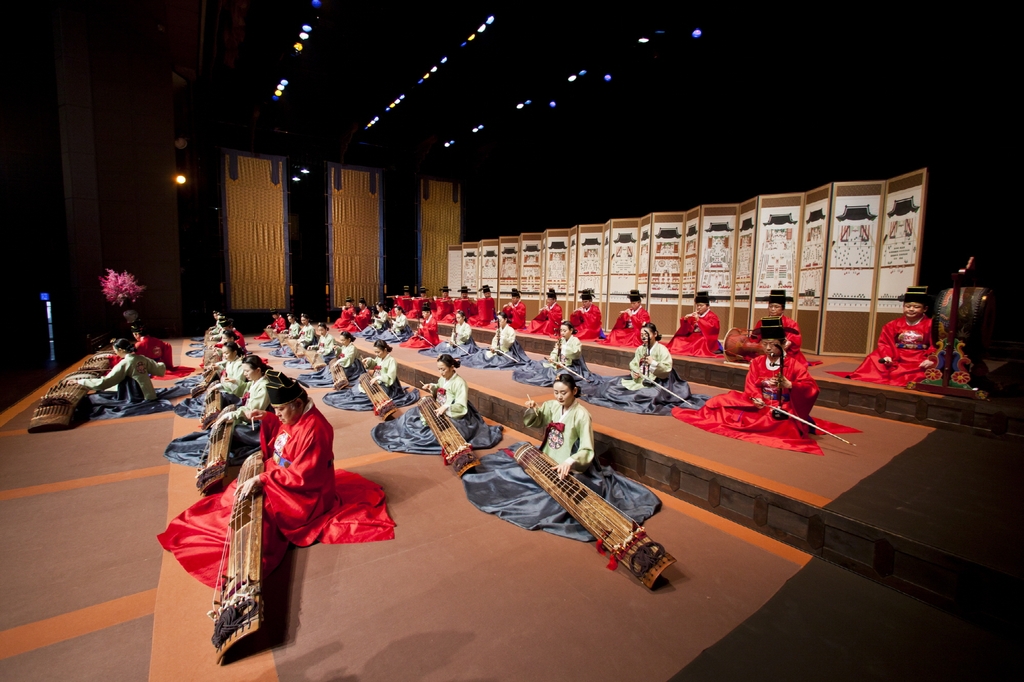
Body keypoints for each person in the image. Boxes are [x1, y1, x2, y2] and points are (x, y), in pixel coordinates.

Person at [157, 370, 397, 588]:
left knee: (263, 516)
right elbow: (283, 439)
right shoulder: (295, 416)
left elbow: (304, 475)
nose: (278, 414)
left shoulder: (316, 429)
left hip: (304, 491)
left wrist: (264, 478)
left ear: (298, 404)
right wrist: (268, 419)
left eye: (280, 410)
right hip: (282, 474)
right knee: (235, 492)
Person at [461, 375, 661, 541]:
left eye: (563, 393)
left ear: (574, 391)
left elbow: (586, 447)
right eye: (556, 392)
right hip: (548, 455)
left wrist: (570, 461)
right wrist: (532, 409)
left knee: (555, 496)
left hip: (568, 461)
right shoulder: (552, 406)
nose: (559, 397)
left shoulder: (582, 415)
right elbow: (537, 421)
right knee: (513, 476)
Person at [672, 318, 856, 456]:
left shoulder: (793, 365)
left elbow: (811, 388)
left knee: (777, 424)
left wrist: (791, 385)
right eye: (765, 344)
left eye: (772, 344)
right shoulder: (758, 362)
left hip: (782, 406)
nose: (767, 348)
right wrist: (755, 397)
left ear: (782, 344)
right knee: (719, 402)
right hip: (758, 403)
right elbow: (751, 384)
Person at [370, 354, 503, 455]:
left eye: (443, 369)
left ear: (452, 368)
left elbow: (461, 406)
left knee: (433, 433)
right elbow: (440, 388)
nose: (441, 373)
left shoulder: (460, 383)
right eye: (439, 369)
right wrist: (432, 387)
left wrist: (446, 407)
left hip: (455, 413)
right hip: (440, 406)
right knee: (411, 413)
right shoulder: (443, 378)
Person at [164, 355, 271, 466]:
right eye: (243, 371)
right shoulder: (256, 381)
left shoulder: (264, 387)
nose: (244, 374)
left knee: (233, 431)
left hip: (258, 426)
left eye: (247, 371)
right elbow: (244, 388)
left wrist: (232, 415)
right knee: (222, 425)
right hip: (248, 417)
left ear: (258, 370)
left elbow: (252, 411)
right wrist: (228, 384)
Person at [582, 323, 706, 415]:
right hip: (640, 379)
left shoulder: (662, 349)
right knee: (611, 386)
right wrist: (634, 372)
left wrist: (654, 363)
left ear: (655, 334)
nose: (644, 337)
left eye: (646, 334)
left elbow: (667, 369)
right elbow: (634, 363)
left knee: (648, 396)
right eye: (641, 335)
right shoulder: (641, 349)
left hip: (660, 381)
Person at [836, 286, 936, 387]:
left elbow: (936, 344)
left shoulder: (930, 325)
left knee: (923, 369)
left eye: (916, 307)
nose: (911, 309)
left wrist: (931, 358)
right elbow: (885, 342)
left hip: (918, 356)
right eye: (908, 306)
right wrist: (887, 355)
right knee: (872, 358)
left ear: (925, 309)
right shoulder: (893, 324)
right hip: (897, 354)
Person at [78, 338, 183, 418]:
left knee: (98, 397)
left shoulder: (125, 363)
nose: (115, 353)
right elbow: (158, 369)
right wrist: (161, 363)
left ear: (120, 349)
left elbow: (106, 382)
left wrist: (82, 381)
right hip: (148, 392)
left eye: (115, 350)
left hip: (134, 394)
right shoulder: (141, 358)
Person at [323, 339, 420, 412]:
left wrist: (378, 377)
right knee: (360, 388)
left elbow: (391, 376)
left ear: (385, 350)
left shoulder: (391, 361)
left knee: (367, 396)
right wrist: (369, 361)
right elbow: (375, 364)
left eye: (378, 352)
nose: (377, 354)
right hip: (378, 380)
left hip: (388, 385)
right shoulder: (380, 357)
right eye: (375, 352)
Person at [174, 341, 247, 419]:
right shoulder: (231, 361)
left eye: (226, 353)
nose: (224, 356)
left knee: (216, 394)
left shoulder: (239, 365)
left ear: (235, 352)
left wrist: (219, 386)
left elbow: (237, 385)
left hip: (235, 393)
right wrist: (219, 368)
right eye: (224, 353)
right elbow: (227, 369)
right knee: (209, 393)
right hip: (227, 386)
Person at [513, 321, 598, 387]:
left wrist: (563, 348)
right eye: (561, 330)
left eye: (565, 331)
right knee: (540, 366)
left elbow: (576, 353)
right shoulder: (561, 340)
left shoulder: (575, 341)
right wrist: (553, 358)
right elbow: (555, 351)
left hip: (570, 366)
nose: (562, 333)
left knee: (562, 376)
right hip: (558, 364)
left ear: (571, 330)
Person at [752, 290, 811, 366]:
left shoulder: (791, 323)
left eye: (776, 307)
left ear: (782, 309)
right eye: (771, 306)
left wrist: (788, 343)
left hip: (785, 352)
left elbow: (795, 338)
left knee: (791, 364)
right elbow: (754, 338)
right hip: (765, 350)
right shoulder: (761, 322)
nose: (773, 309)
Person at [460, 311, 530, 369]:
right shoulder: (498, 330)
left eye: (500, 320)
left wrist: (502, 337)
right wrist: (493, 347)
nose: (499, 322)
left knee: (491, 360)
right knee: (481, 354)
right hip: (496, 350)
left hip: (504, 351)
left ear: (505, 320)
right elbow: (494, 340)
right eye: (498, 321)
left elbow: (510, 342)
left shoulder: (510, 330)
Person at [300, 330, 366, 388]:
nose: (342, 342)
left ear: (348, 339)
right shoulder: (345, 346)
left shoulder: (352, 348)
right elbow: (341, 353)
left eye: (343, 340)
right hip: (344, 362)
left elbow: (349, 358)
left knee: (337, 372)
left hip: (353, 366)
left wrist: (339, 361)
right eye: (341, 340)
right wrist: (338, 349)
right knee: (329, 369)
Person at [665, 291, 722, 357]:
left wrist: (699, 320)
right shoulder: (696, 314)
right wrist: (686, 320)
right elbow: (689, 329)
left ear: (707, 306)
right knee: (678, 339)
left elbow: (713, 328)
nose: (699, 307)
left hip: (705, 337)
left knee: (700, 341)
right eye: (697, 305)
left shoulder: (712, 316)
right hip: (693, 336)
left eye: (701, 306)